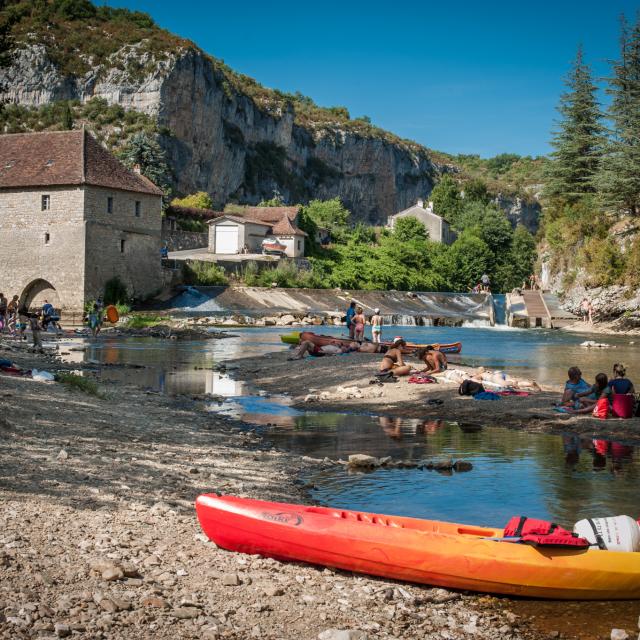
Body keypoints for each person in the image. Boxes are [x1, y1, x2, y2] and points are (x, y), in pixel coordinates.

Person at [288, 339, 355, 360]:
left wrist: (324, 351)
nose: (342, 345)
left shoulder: (340, 350)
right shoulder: (336, 347)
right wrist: (331, 343)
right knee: (304, 342)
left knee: (307, 342)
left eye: (343, 346)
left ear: (345, 349)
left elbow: (332, 353)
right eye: (341, 344)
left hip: (319, 351)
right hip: (319, 349)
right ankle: (299, 355)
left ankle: (299, 356)